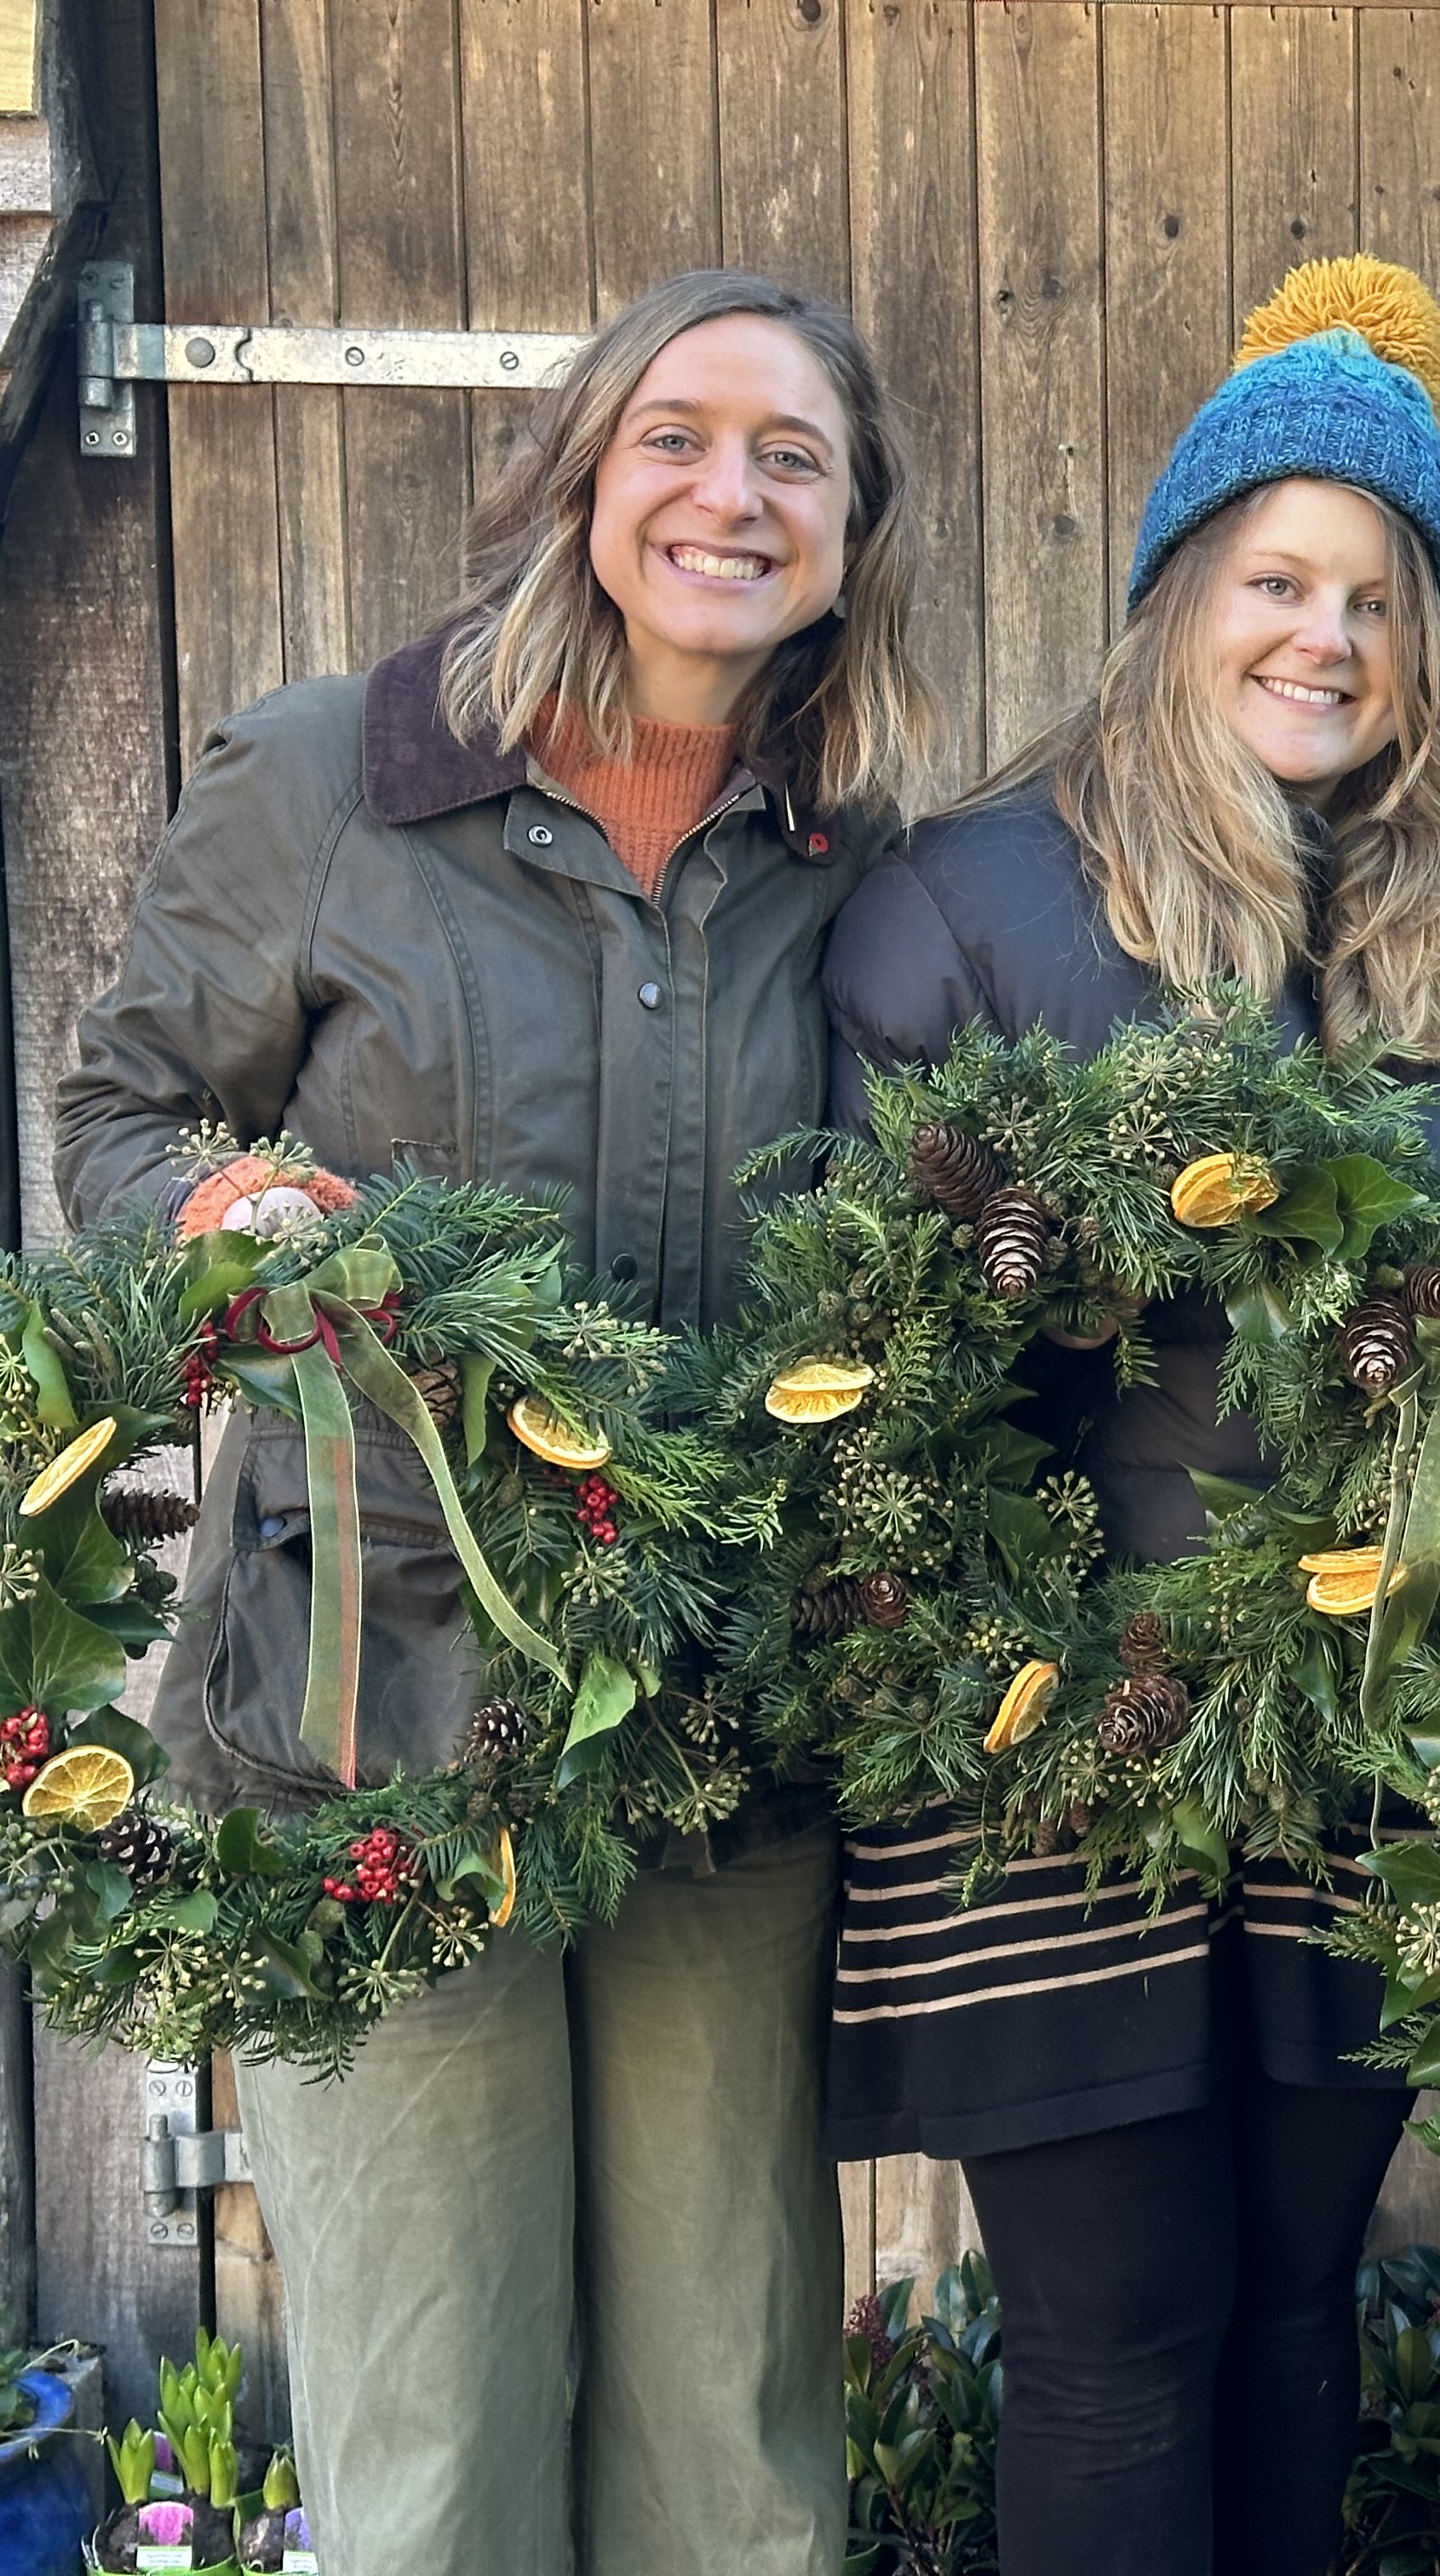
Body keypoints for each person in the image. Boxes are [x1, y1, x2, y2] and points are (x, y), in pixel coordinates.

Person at [55, 269, 932, 2576]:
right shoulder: (337, 774)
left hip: (716, 1736)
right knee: (433, 2445)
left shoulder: (848, 858)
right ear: (578, 469)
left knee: (732, 2445)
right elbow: (127, 1114)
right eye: (679, 436)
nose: (729, 493)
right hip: (374, 1713)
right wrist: (241, 1213)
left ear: (854, 536)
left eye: (793, 459)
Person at [818, 255, 1440, 2576]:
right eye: (1280, 579)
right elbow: (882, 1370)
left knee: (1292, 2307)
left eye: (1379, 596)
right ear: (1185, 594)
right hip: (1056, 1735)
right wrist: (1015, 1669)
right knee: (1115, 2322)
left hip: (1373, 1742)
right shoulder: (972, 901)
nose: (1328, 638)